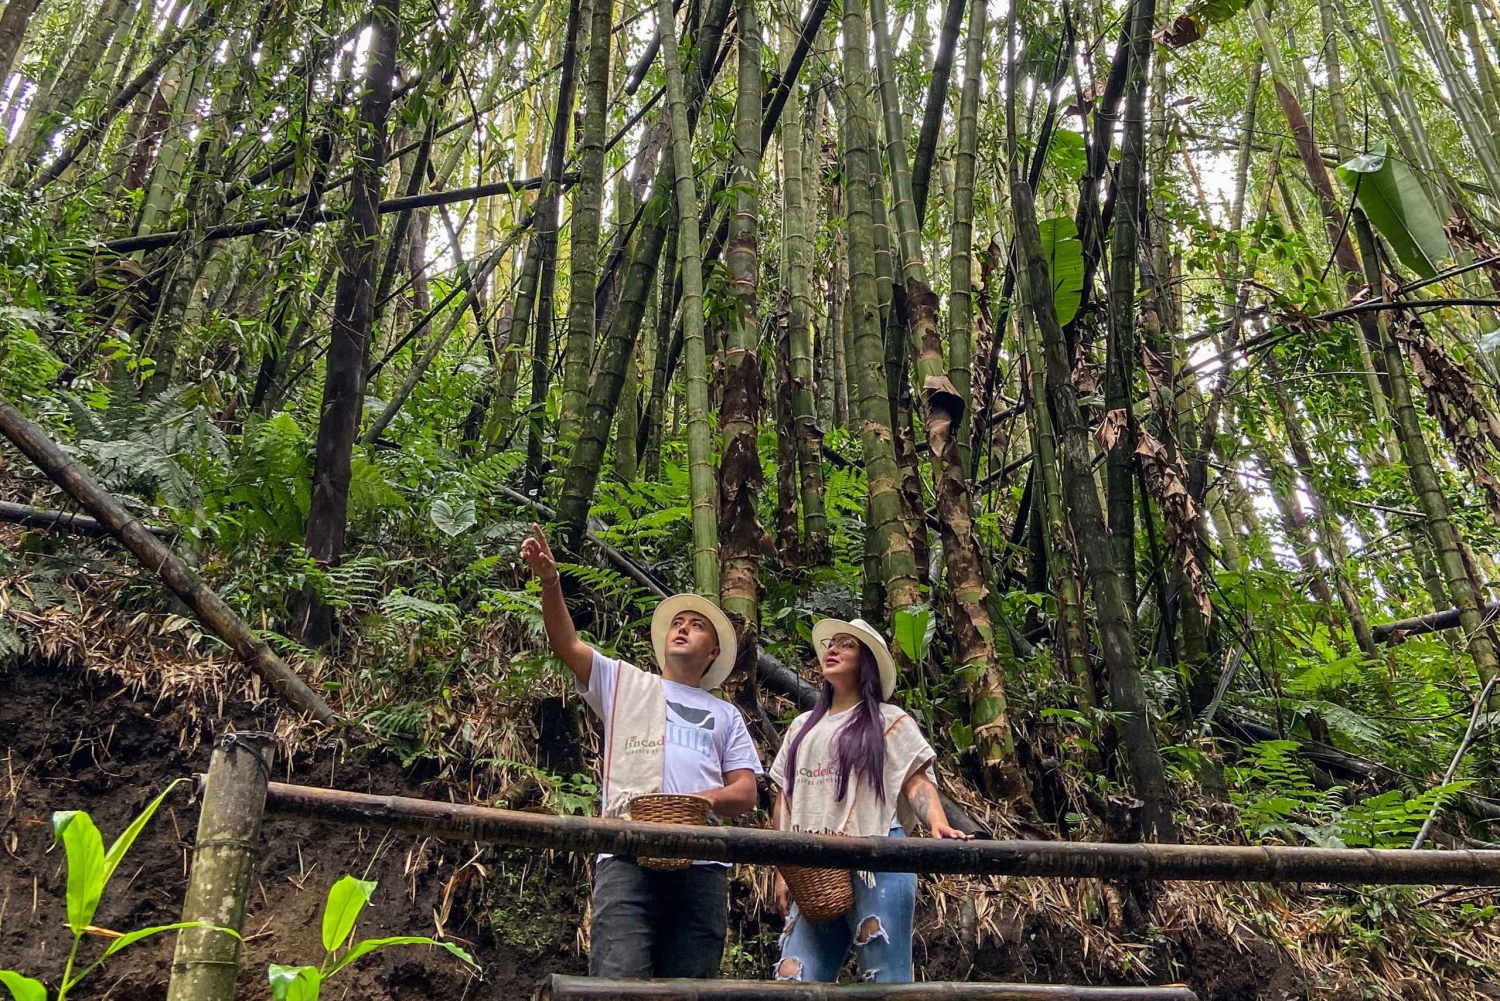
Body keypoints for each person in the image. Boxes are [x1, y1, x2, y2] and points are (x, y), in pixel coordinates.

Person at [519, 524, 762, 980]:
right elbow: (566, 645)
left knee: (691, 985)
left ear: (712, 652)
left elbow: (746, 792)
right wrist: (551, 583)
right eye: (677, 623)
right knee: (619, 978)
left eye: (696, 626)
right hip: (625, 849)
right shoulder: (624, 683)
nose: (683, 629)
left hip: (703, 860)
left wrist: (702, 802)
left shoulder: (724, 714)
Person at [770, 617, 971, 984]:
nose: (832, 649)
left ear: (866, 662)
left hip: (878, 852)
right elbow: (785, 795)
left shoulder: (888, 720)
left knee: (885, 978)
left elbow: (914, 781)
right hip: (814, 863)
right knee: (794, 977)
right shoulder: (801, 727)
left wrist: (938, 822)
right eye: (831, 643)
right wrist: (784, 868)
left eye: (846, 645)